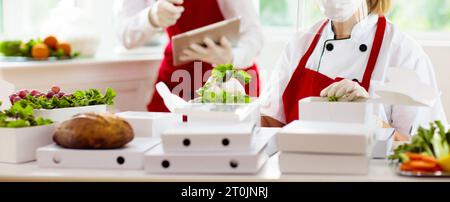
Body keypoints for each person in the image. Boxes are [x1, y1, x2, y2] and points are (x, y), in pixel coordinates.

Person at [260, 0, 448, 140]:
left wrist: (371, 121)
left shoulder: (404, 54)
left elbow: (422, 150)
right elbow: (270, 124)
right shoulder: (299, 44)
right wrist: (236, 108)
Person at [116, 0, 263, 111]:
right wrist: (151, 18)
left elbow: (254, 34)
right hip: (177, 76)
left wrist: (231, 57)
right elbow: (125, 35)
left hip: (230, 77)